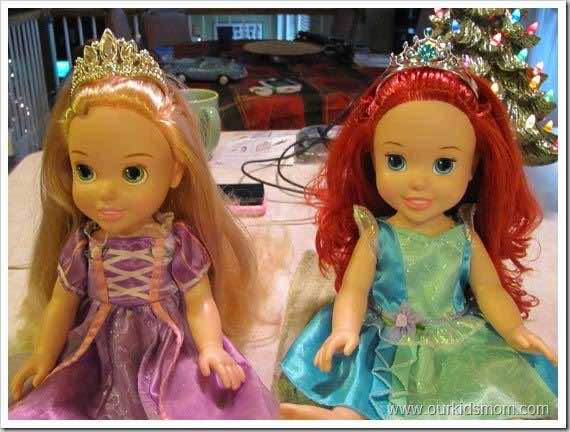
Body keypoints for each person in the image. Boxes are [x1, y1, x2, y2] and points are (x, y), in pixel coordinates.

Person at [279, 35, 557, 420]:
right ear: (371, 159)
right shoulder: (376, 235)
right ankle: (345, 419)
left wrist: (513, 330)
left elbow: (489, 290)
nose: (418, 182)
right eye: (396, 161)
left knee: (480, 396)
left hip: (454, 338)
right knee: (369, 389)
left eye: (444, 165)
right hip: (385, 335)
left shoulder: (465, 235)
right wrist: (345, 328)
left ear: (473, 166)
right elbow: (355, 290)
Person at [9, 29, 276, 420]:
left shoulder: (176, 243)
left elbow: (200, 302)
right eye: (85, 171)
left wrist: (210, 348)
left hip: (167, 349)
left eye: (132, 173)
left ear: (176, 171)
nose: (105, 192)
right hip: (98, 355)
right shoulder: (84, 246)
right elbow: (61, 304)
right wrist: (42, 356)